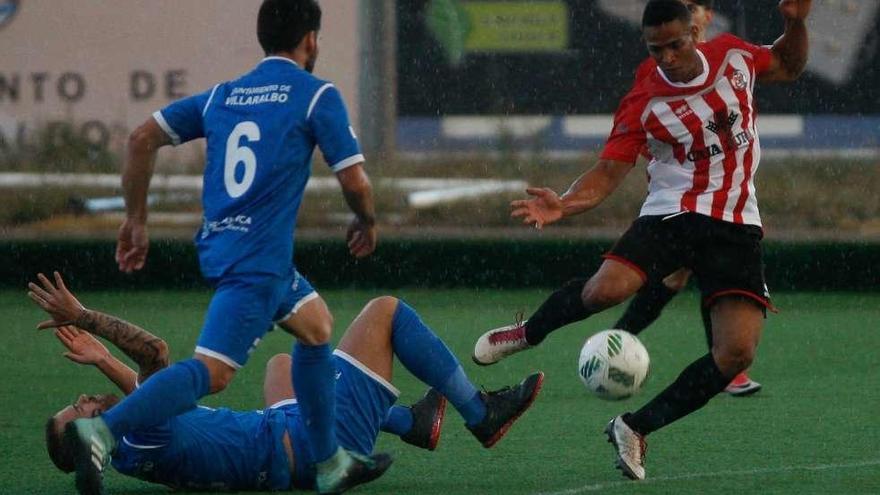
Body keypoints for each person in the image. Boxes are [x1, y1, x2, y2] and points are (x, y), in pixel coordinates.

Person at [473, 0, 811, 480]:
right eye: (657, 49)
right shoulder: (645, 100)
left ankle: (634, 427)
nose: (668, 57)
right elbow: (610, 169)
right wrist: (565, 203)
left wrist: (795, 22)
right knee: (603, 291)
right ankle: (526, 333)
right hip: (671, 213)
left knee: (737, 353)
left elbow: (790, 64)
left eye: (676, 45)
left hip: (736, 223)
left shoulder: (734, 58)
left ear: (694, 34)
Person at [81, 1, 380, 493]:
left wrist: (135, 219)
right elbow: (355, 180)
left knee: (316, 327)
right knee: (213, 373)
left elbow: (140, 139)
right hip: (257, 261)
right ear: (311, 40)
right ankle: (103, 429)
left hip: (226, 248)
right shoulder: (315, 94)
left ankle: (329, 462)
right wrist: (366, 220)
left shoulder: (223, 94)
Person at [29, 272, 544, 492]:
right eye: (82, 416)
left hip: (281, 445)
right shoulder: (138, 432)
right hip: (316, 445)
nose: (82, 402)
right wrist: (87, 317)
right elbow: (154, 355)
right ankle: (481, 413)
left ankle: (414, 422)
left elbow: (149, 400)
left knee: (280, 366)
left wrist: (101, 361)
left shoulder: (132, 447)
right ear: (94, 441)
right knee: (386, 312)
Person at [613, 0, 762, 397]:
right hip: (680, 192)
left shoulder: (728, 57)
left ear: (705, 18)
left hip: (723, 193)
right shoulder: (659, 68)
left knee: (686, 273)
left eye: (695, 4)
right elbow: (642, 127)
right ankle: (619, 341)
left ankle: (621, 339)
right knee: (683, 272)